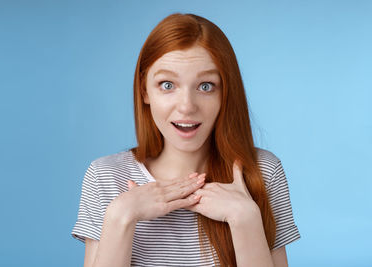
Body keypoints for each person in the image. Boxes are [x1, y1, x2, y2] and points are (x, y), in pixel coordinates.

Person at [71, 13, 301, 267]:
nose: (187, 107)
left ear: (226, 93)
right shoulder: (105, 176)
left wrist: (244, 218)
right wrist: (120, 217)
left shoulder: (263, 172)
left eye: (206, 86)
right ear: (144, 91)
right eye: (167, 85)